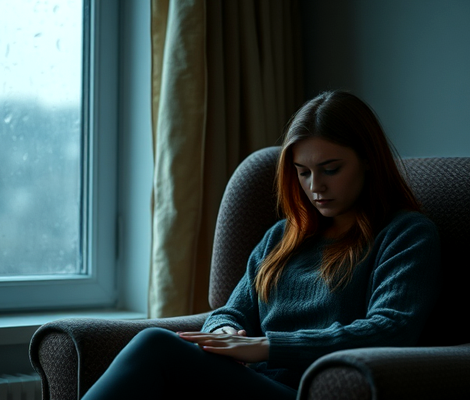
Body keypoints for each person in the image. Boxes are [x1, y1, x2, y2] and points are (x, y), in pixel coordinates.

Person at [82, 90, 441, 400]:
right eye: (303, 172)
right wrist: (224, 334)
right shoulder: (283, 236)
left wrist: (266, 346)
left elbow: (391, 328)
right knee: (160, 352)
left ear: (368, 161)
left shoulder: (405, 234)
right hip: (247, 384)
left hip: (308, 391)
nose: (316, 186)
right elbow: (229, 312)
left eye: (331, 169)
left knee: (156, 346)